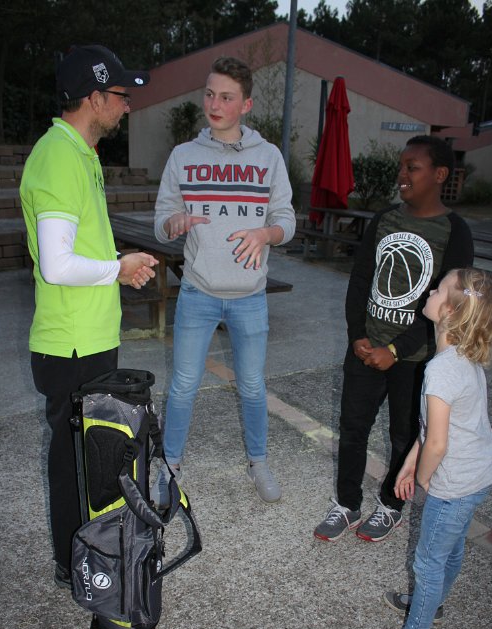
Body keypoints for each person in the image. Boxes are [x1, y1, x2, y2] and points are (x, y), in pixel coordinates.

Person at [20, 45, 157, 588]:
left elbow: (78, 250)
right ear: (94, 97)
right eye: (121, 95)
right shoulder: (58, 156)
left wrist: (117, 266)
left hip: (88, 337)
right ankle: (74, 563)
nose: (127, 105)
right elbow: (57, 265)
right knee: (76, 461)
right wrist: (117, 269)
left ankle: (87, 557)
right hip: (72, 344)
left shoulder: (81, 153)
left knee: (93, 456)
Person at [314, 135, 474, 543]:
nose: (402, 174)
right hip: (366, 348)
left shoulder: (455, 231)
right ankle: (347, 503)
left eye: (412, 167)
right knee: (353, 427)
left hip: (414, 358)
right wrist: (357, 336)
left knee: (404, 434)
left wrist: (396, 350)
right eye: (402, 166)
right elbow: (361, 280)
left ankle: (391, 505)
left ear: (439, 174)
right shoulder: (384, 220)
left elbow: (450, 304)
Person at [151, 56, 296, 504]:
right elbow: (161, 222)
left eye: (226, 97)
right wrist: (174, 223)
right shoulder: (183, 156)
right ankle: (170, 466)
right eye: (210, 94)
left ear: (246, 104)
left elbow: (287, 220)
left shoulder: (268, 157)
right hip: (197, 291)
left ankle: (258, 461)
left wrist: (266, 234)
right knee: (182, 385)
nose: (214, 105)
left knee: (252, 385)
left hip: (250, 296)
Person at [361, 268, 492, 629]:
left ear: (450, 313)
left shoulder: (440, 371)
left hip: (454, 484)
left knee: (428, 562)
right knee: (451, 548)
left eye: (439, 290)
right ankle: (432, 602)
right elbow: (432, 430)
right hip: (477, 477)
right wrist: (410, 463)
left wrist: (425, 480)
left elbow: (438, 443)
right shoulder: (462, 358)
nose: (430, 291)